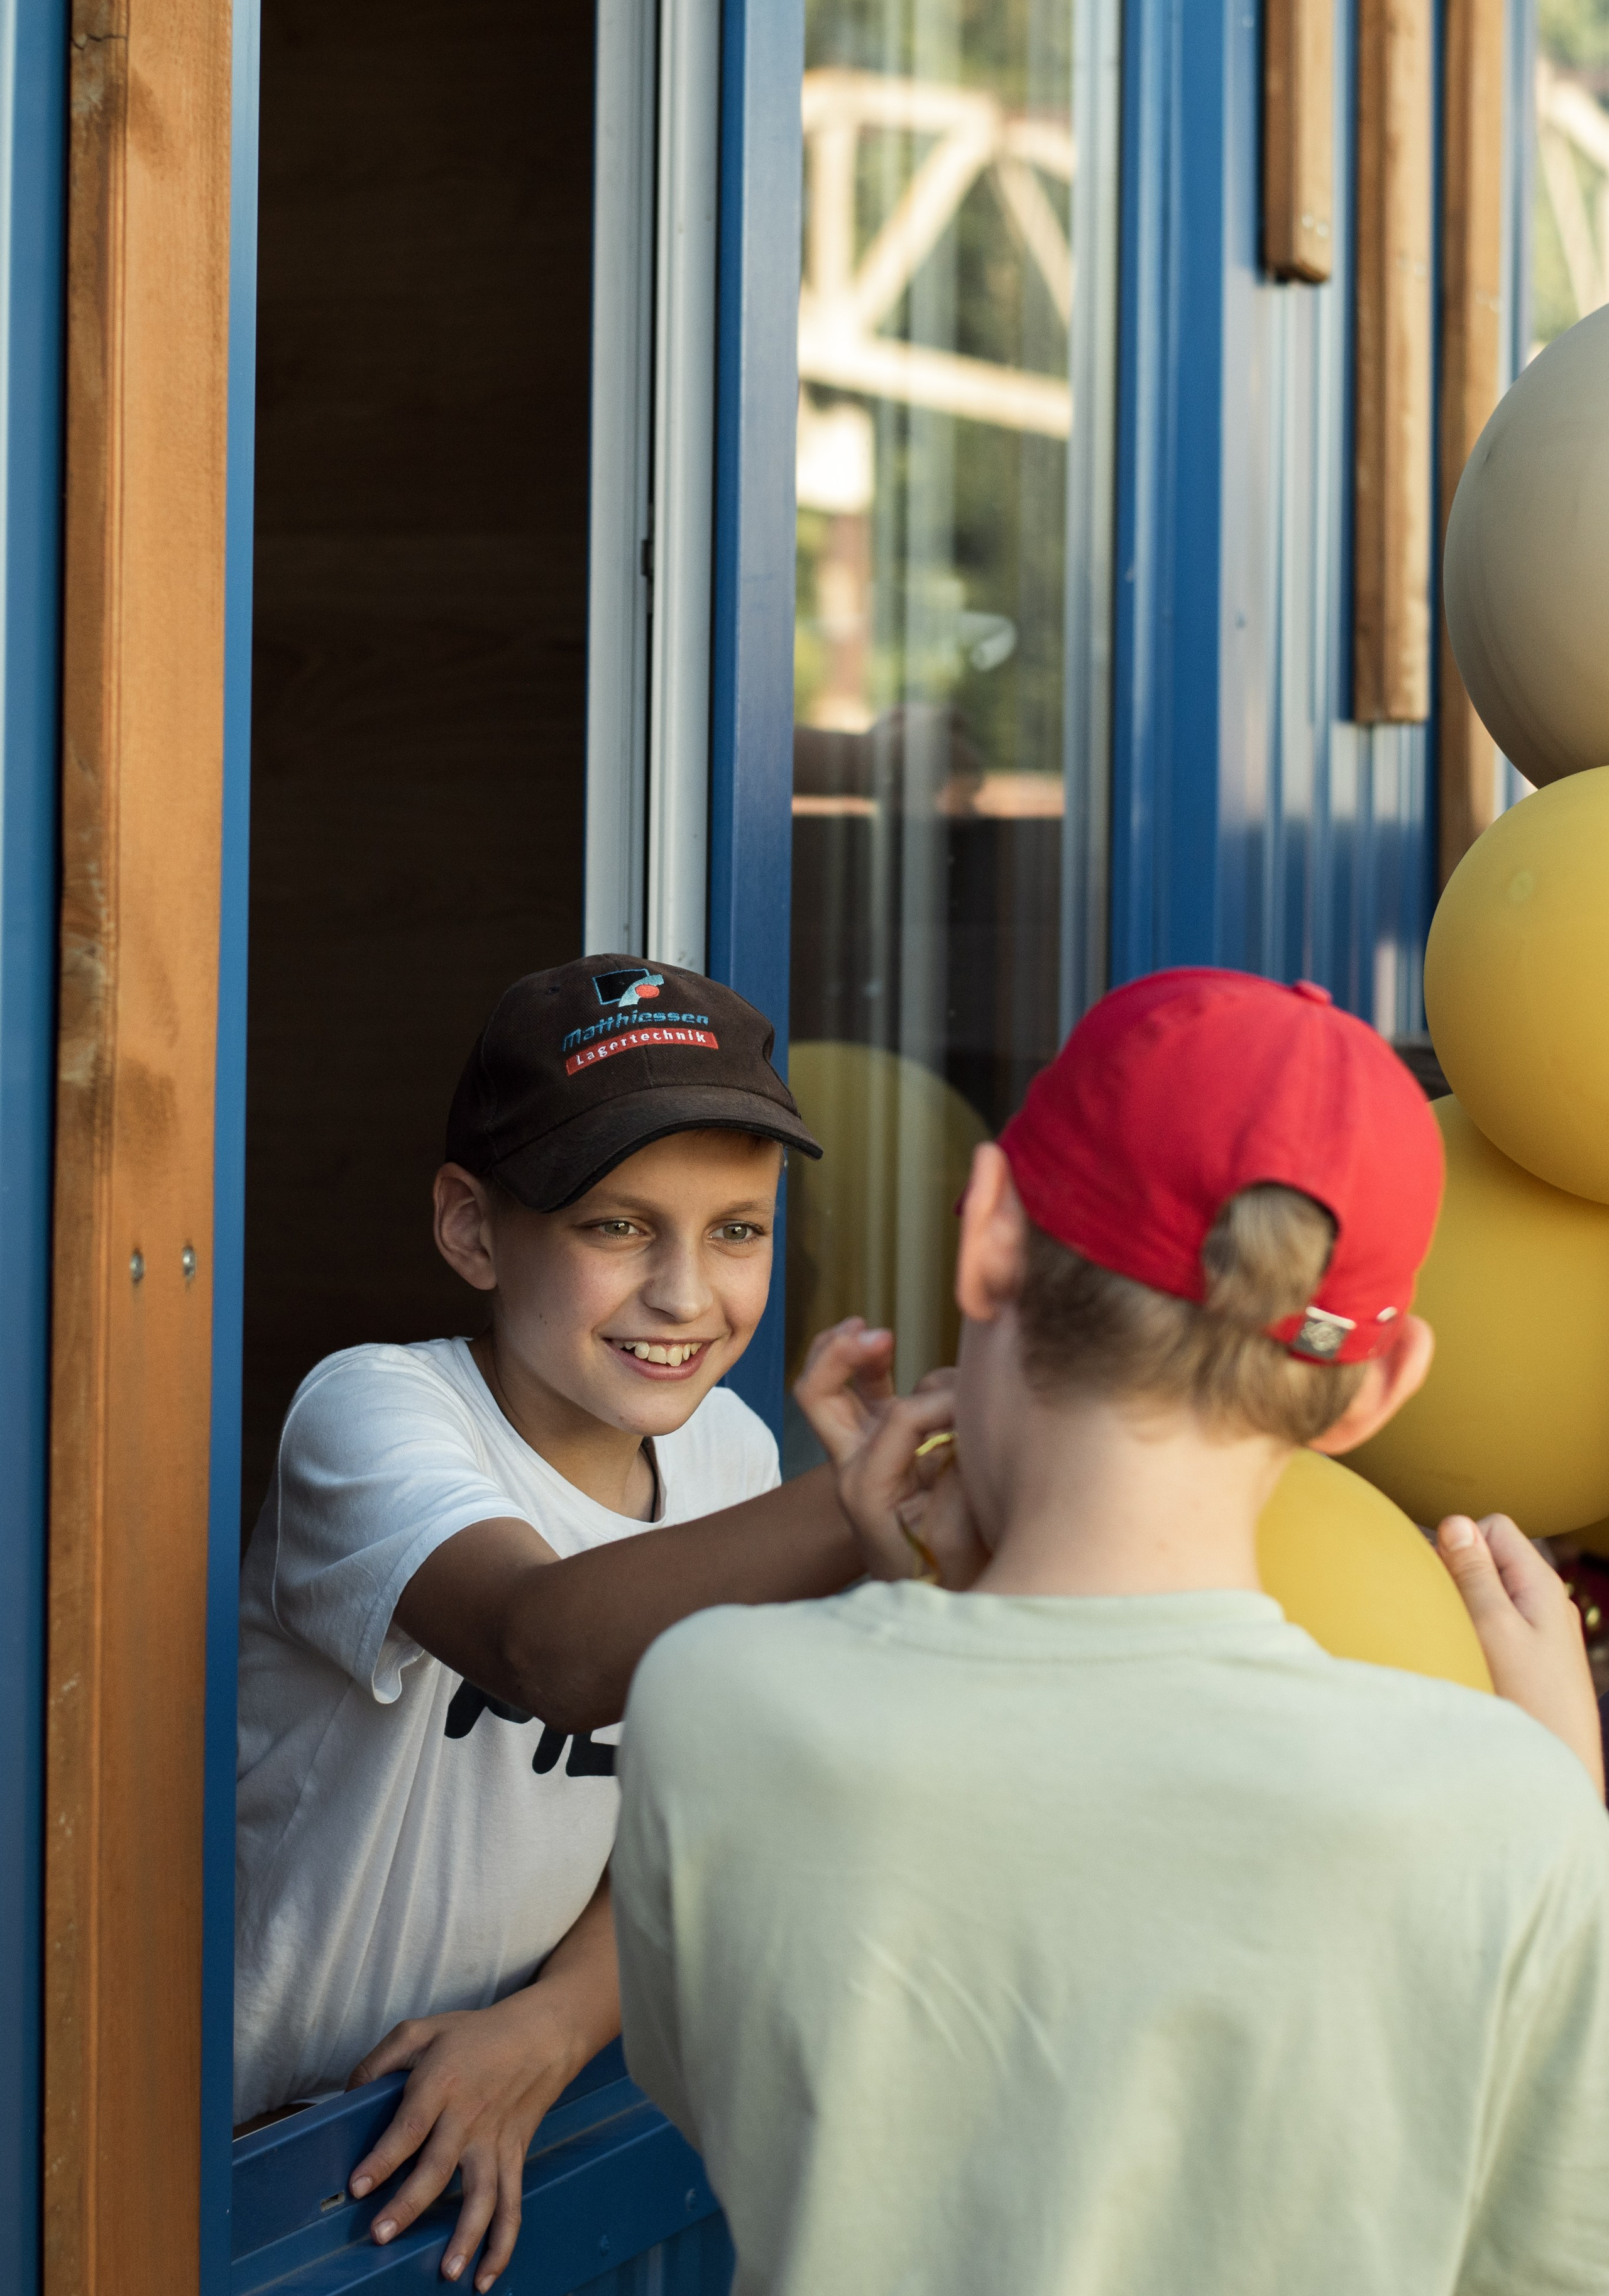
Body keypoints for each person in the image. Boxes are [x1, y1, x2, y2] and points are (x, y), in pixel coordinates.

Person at [612, 968, 1609, 2296]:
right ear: (1373, 1387)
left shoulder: (712, 1701)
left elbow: (767, 2114)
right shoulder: (1497, 1807)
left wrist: (920, 1601)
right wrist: (1566, 1807)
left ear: (981, 1236)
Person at [235, 957, 891, 2293]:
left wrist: (551, 2023)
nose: (685, 1294)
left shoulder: (726, 1459)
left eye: (737, 1230)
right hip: (243, 2137)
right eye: (614, 1227)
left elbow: (695, 1806)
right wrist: (874, 1511)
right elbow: (545, 1647)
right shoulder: (371, 1412)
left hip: (462, 2113)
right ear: (473, 1230)